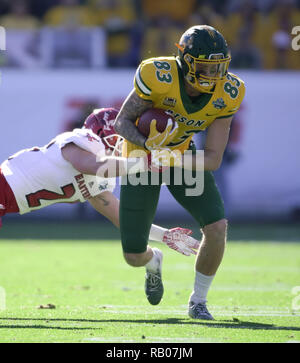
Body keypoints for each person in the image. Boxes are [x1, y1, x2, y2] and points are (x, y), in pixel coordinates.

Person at [114, 25, 245, 320]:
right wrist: (149, 145)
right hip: (140, 158)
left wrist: (171, 157)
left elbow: (212, 159)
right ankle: (153, 261)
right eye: (205, 68)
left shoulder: (229, 91)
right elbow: (121, 123)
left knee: (217, 227)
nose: (213, 76)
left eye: (218, 68)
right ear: (186, 61)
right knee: (133, 255)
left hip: (180, 155)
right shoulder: (157, 75)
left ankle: (198, 301)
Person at [0, 107, 199, 257]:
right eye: (125, 137)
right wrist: (145, 162)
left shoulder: (101, 180)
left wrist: (164, 236)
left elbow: (124, 219)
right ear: (107, 133)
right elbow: (94, 164)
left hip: (7, 202)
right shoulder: (83, 142)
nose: (129, 143)